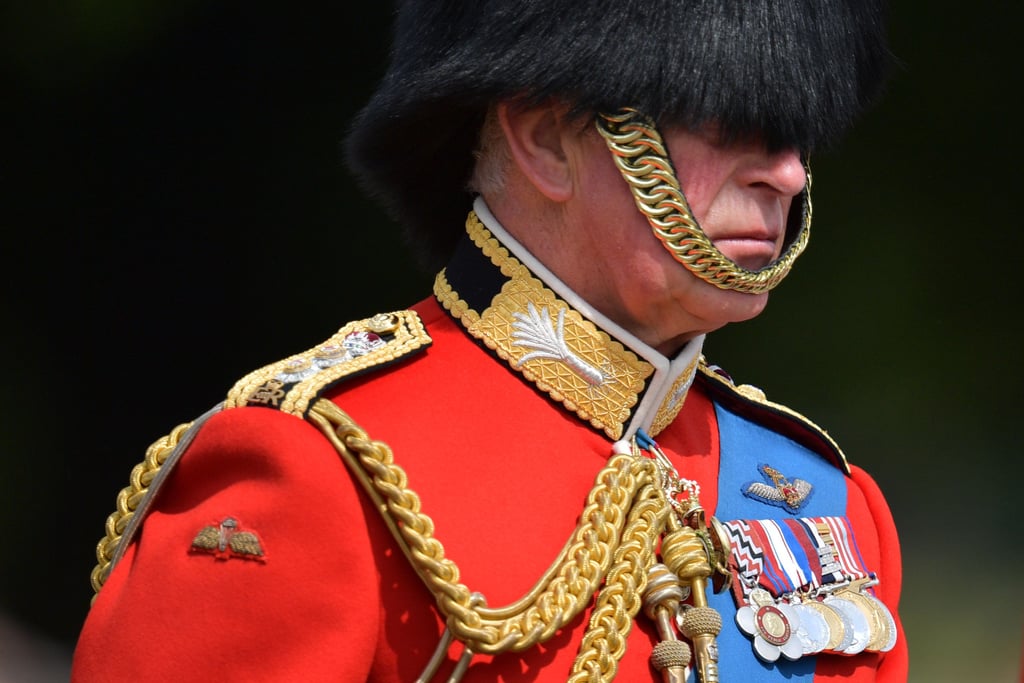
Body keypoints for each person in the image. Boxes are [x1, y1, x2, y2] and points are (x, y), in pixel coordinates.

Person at [71, 1, 907, 681]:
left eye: (792, 127)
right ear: (545, 139)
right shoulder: (322, 467)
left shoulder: (824, 498)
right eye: (731, 119)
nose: (790, 172)